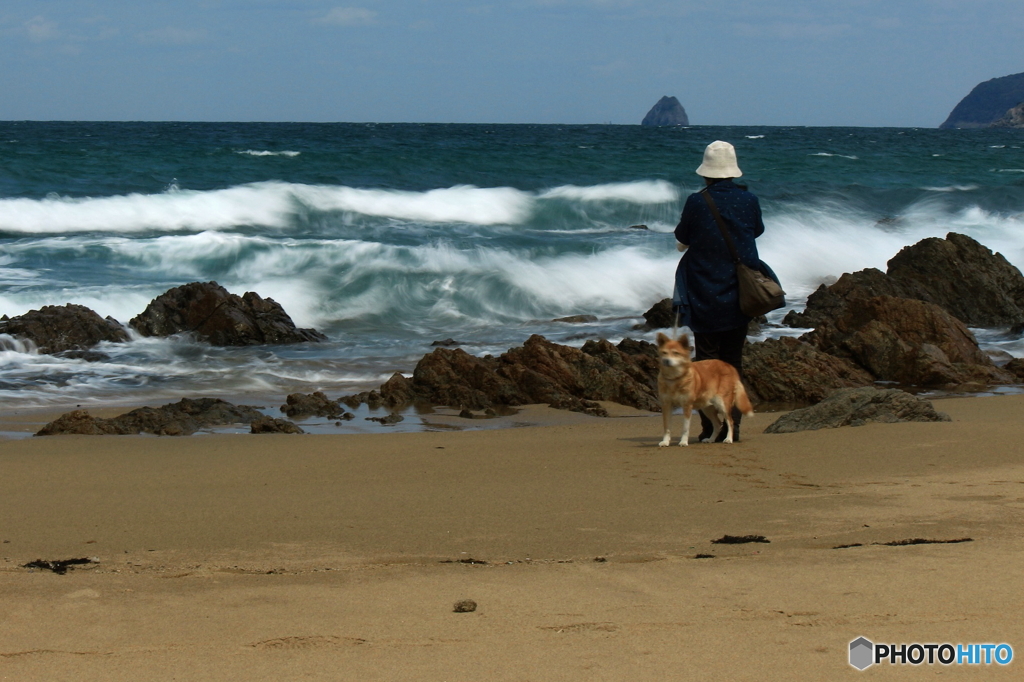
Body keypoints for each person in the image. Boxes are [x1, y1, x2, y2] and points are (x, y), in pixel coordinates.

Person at [672, 140, 765, 442]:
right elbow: (757, 230)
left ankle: (709, 427)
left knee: (706, 363)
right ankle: (732, 428)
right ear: (733, 172)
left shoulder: (698, 202)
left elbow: (683, 235)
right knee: (732, 362)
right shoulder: (748, 200)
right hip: (741, 291)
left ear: (706, 173)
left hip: (705, 290)